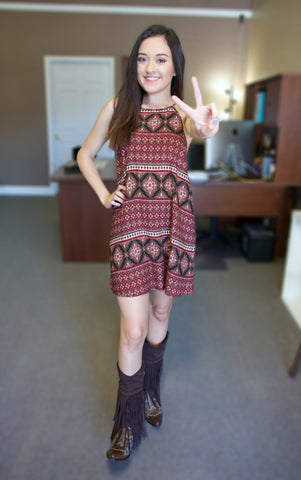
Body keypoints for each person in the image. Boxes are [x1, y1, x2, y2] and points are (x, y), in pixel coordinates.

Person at [77, 24, 219, 462]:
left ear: (175, 66)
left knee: (160, 312)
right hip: (131, 230)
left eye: (160, 59)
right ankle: (126, 421)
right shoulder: (119, 107)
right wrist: (104, 193)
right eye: (142, 58)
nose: (150, 67)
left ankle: (152, 395)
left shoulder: (184, 116)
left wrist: (206, 127)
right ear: (133, 64)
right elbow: (85, 154)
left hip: (173, 231)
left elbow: (204, 131)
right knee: (133, 329)